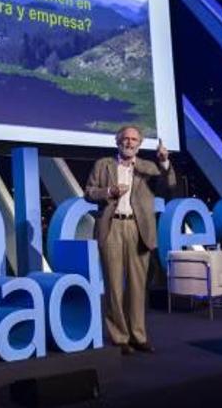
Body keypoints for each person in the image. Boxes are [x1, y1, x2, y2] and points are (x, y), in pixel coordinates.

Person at [85, 125, 176, 355]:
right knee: (114, 285)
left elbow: (169, 187)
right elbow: (88, 192)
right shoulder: (103, 164)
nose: (129, 142)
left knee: (137, 286)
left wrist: (165, 163)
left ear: (139, 144)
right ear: (118, 142)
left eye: (134, 139)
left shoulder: (148, 167)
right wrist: (108, 192)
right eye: (125, 138)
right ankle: (119, 337)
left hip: (138, 228)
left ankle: (138, 336)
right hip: (111, 226)